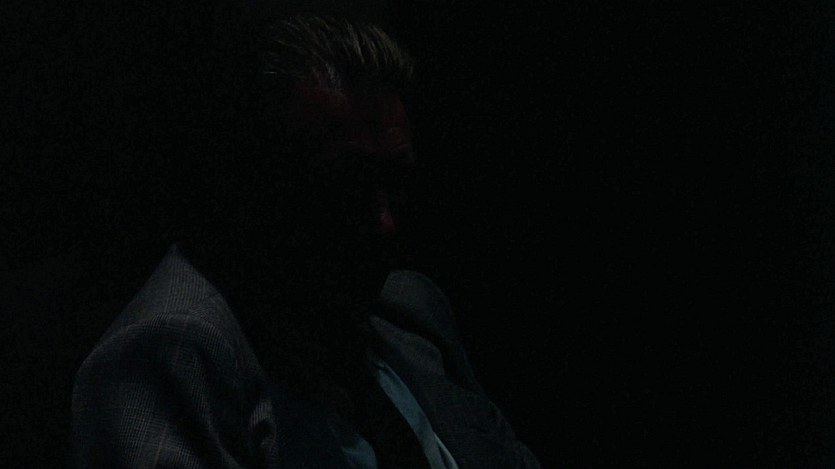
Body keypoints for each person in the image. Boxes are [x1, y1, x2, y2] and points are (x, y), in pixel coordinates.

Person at [72, 13, 541, 468]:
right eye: (347, 186)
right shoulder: (173, 353)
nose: (386, 224)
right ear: (255, 184)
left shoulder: (409, 310)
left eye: (395, 183)